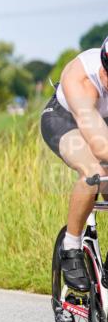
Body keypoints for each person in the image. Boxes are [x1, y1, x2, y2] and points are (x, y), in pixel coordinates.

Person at [41, 36, 108, 292]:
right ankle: (71, 248)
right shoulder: (82, 78)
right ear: (104, 67)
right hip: (66, 119)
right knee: (95, 173)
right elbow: (100, 145)